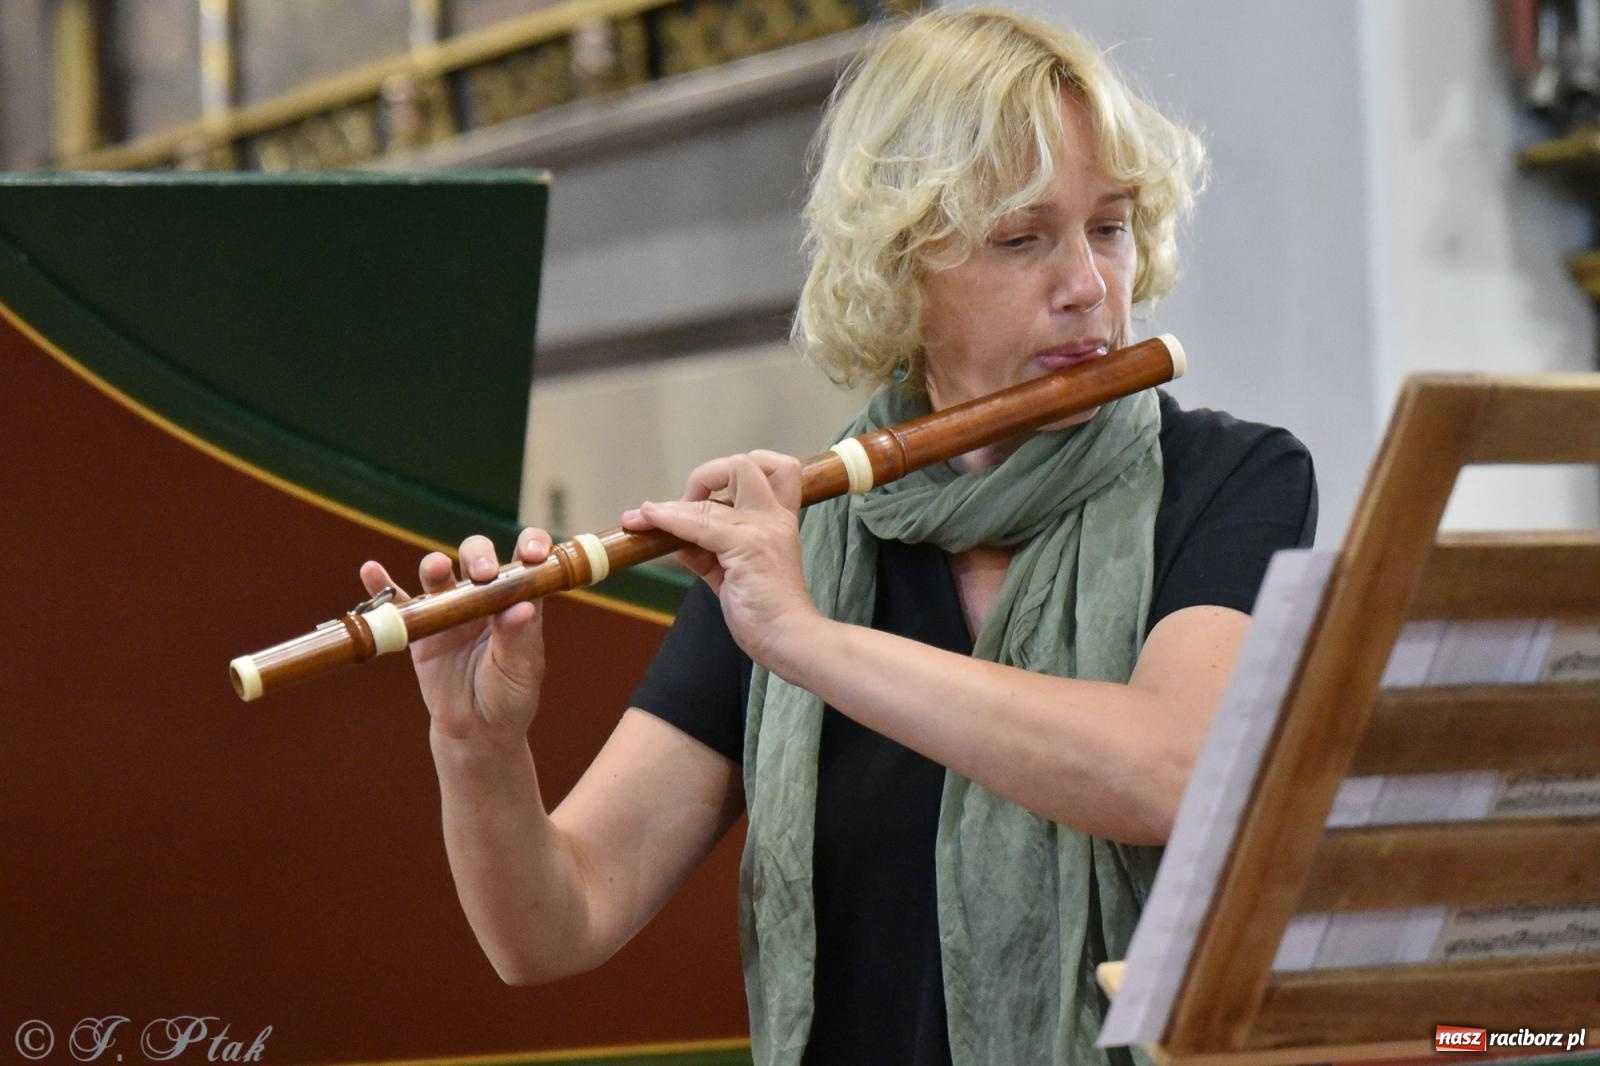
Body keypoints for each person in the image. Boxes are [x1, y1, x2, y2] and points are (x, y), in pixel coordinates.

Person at [360, 8, 1316, 1065]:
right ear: (903, 274)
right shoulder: (796, 544)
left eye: (1110, 225)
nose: (1088, 284)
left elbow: (1171, 770)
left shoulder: (1231, 480)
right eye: (1021, 238)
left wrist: (808, 640)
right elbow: (553, 925)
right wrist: (477, 747)